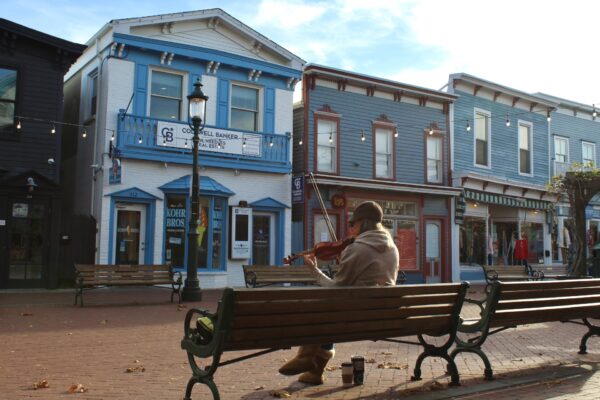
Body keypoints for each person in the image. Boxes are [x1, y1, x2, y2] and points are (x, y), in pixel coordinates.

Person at [278, 201, 399, 385]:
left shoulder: (357, 248)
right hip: (382, 316)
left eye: (353, 224)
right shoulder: (392, 248)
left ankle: (305, 356)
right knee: (331, 313)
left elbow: (336, 288)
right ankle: (315, 373)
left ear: (363, 222)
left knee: (321, 307)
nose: (351, 228)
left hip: (353, 318)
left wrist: (315, 272)